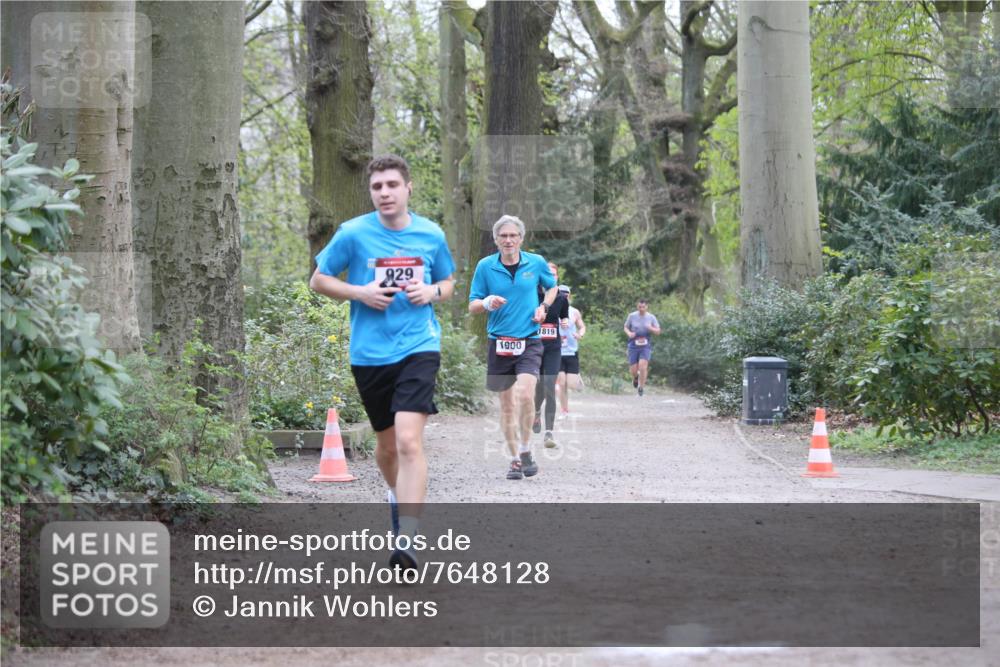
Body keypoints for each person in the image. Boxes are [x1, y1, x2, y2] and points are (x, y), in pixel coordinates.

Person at [309, 154, 455, 571]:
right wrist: (360, 293)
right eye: (377, 187)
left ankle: (406, 541)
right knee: (387, 447)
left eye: (392, 184)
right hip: (370, 353)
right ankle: (396, 493)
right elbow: (319, 279)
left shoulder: (431, 234)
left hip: (419, 346)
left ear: (408, 188)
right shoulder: (353, 234)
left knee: (409, 441)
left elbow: (447, 281)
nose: (385, 193)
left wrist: (433, 294)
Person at [469, 215, 558, 480]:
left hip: (529, 340)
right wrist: (487, 303)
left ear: (521, 238)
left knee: (525, 394)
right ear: (496, 240)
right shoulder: (485, 267)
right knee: (507, 405)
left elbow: (552, 288)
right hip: (499, 342)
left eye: (513, 235)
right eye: (503, 236)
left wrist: (543, 307)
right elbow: (472, 305)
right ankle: (515, 459)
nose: (508, 240)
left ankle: (526, 447)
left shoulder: (536, 263)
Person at [532, 262, 569, 449]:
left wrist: (565, 323)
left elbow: (565, 316)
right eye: (549, 274)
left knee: (549, 386)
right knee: (538, 387)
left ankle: (549, 432)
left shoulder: (562, 298)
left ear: (557, 278)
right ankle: (536, 411)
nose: (552, 277)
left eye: (555, 275)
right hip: (534, 348)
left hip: (553, 348)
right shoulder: (532, 295)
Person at [557, 285, 586, 418]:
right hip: (557, 352)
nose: (563, 296)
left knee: (572, 385)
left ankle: (578, 379)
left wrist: (580, 334)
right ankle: (564, 410)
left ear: (569, 295)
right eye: (561, 293)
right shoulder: (552, 310)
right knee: (561, 383)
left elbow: (582, 327)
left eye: (566, 294)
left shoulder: (574, 312)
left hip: (571, 352)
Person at [624, 299, 661, 397]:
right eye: (639, 307)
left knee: (643, 366)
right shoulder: (632, 316)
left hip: (645, 345)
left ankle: (641, 388)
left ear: (647, 307)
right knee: (633, 369)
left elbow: (658, 331)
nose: (641, 309)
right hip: (633, 344)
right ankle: (635, 377)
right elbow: (625, 327)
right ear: (637, 307)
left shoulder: (651, 317)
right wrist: (629, 333)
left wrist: (651, 328)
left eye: (643, 307)